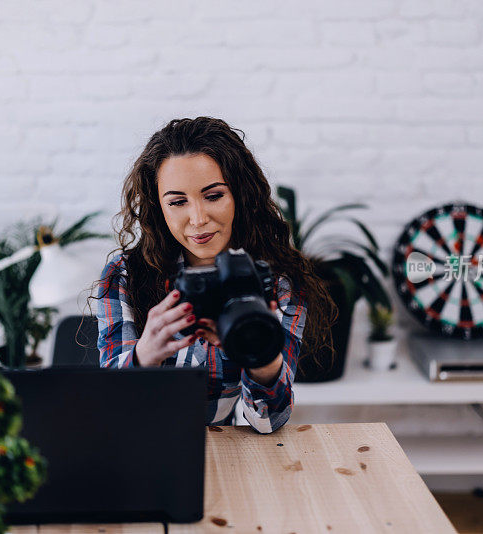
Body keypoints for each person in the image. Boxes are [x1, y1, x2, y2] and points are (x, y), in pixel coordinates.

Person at [94, 117, 335, 434]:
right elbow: (108, 409)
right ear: (159, 208)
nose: (198, 219)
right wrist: (145, 356)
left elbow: (266, 423)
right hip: (142, 443)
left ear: (240, 195)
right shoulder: (125, 275)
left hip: (225, 455)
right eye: (178, 202)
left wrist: (259, 356)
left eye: (213, 196)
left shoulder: (276, 282)